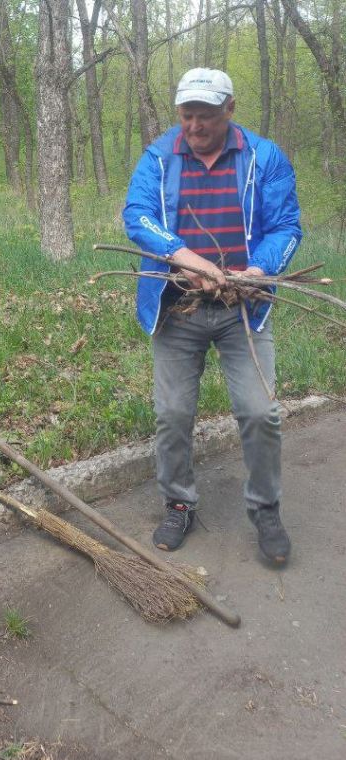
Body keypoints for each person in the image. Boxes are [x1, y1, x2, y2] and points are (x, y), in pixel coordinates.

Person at [123, 68, 301, 564]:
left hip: (243, 308)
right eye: (187, 114)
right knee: (173, 413)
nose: (195, 125)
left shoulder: (264, 157)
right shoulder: (159, 157)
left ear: (230, 109)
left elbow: (287, 226)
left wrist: (258, 271)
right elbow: (137, 214)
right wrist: (187, 258)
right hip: (177, 306)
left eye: (206, 115)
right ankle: (179, 502)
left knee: (260, 411)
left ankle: (265, 509)